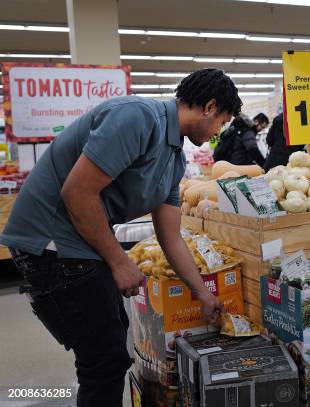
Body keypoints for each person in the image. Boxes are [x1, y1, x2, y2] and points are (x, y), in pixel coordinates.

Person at [0, 68, 241, 407]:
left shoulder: (172, 159)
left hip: (78, 244)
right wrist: (119, 261)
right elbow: (78, 193)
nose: (219, 132)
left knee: (112, 346)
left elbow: (170, 237)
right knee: (104, 359)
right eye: (222, 122)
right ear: (210, 107)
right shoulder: (138, 118)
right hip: (50, 241)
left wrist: (203, 292)